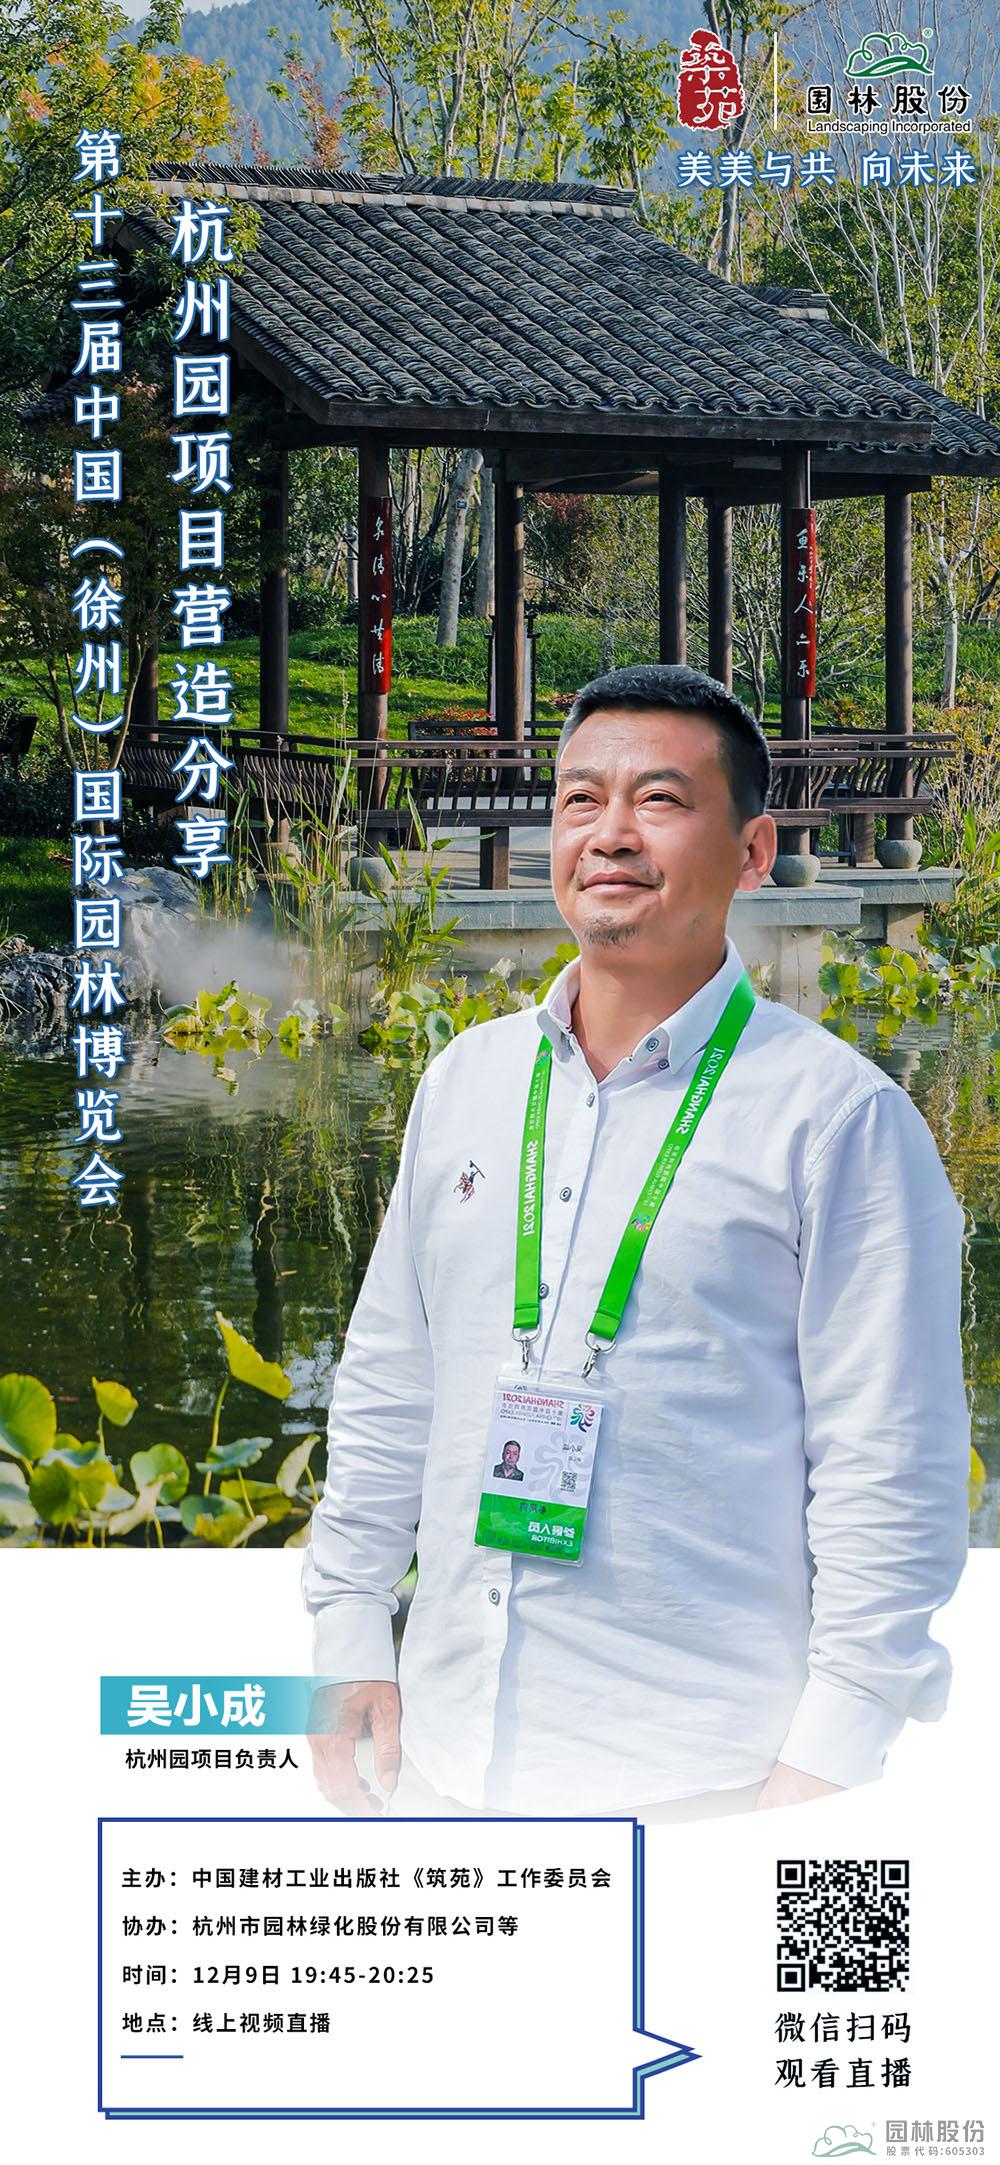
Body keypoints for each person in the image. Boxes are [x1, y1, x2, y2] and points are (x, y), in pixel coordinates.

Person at [303, 663, 970, 1822]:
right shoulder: (466, 1080)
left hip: (704, 1779)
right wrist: (353, 1624)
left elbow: (888, 1463)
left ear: (752, 852)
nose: (609, 832)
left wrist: (826, 1760)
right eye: (580, 798)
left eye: (659, 799)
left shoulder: (838, 1120)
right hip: (442, 1760)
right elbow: (391, 1380)